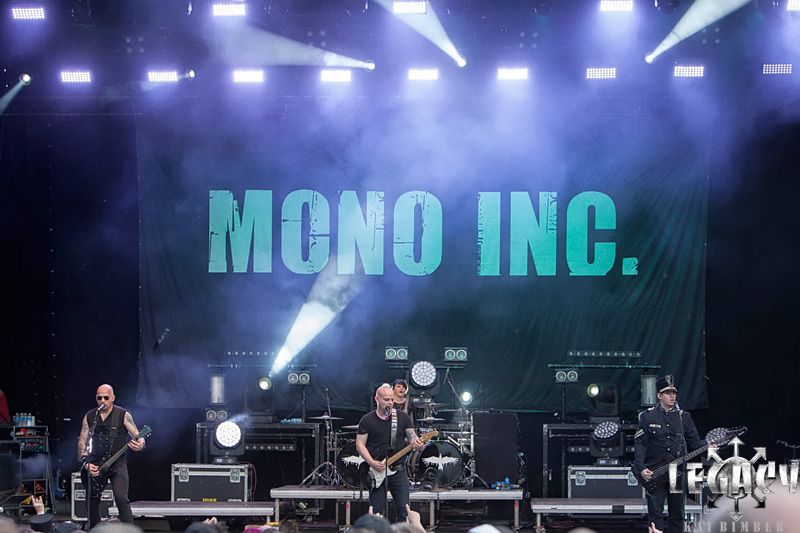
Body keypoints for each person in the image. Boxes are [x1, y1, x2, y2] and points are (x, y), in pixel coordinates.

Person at [633, 375, 704, 533]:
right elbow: (640, 443)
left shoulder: (683, 417)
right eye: (667, 393)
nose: (672, 396)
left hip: (675, 473)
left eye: (674, 393)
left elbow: (695, 443)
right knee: (655, 513)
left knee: (677, 513)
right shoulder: (648, 416)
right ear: (659, 395)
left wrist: (709, 444)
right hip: (655, 471)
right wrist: (641, 468)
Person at [77, 384, 145, 529]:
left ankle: (129, 531)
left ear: (113, 398)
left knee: (121, 498)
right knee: (92, 499)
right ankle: (94, 529)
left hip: (117, 463)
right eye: (99, 398)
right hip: (95, 463)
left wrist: (141, 444)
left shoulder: (122, 414)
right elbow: (82, 440)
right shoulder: (90, 416)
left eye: (106, 398)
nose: (102, 401)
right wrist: (85, 463)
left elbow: (138, 435)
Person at [356, 385, 423, 522]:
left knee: (404, 513)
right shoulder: (367, 420)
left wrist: (418, 444)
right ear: (377, 399)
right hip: (377, 470)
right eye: (386, 399)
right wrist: (371, 462)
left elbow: (412, 438)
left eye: (392, 399)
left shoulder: (402, 417)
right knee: (376, 515)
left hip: (398, 471)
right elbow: (360, 444)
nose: (390, 402)